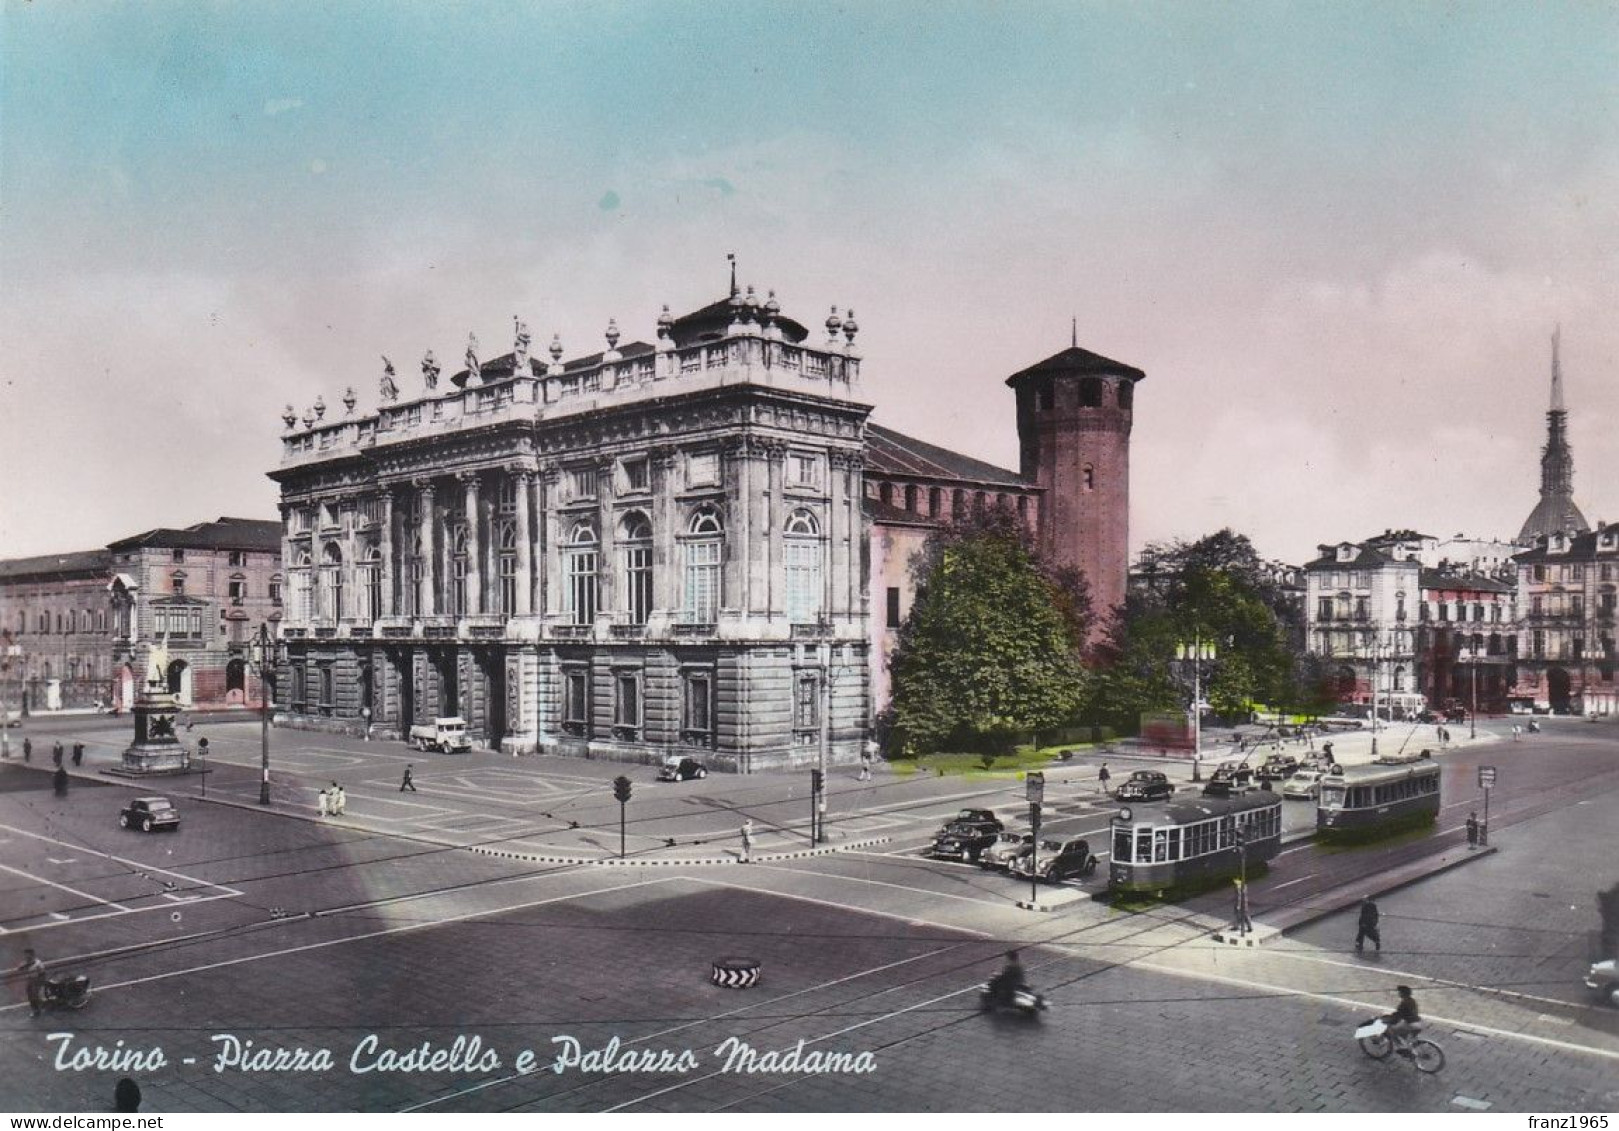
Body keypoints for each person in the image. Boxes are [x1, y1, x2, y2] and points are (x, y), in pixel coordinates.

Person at [1383, 985, 1421, 1052]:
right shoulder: (1412, 1001)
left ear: (1403, 994)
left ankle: (1401, 1048)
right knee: (1402, 1032)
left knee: (1392, 1030)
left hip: (1411, 1024)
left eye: (1400, 992)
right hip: (1418, 1022)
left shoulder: (1404, 1003)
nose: (1399, 994)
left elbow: (1398, 1015)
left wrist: (1387, 1019)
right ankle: (1406, 1046)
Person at [14, 948, 46, 1016]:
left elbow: (42, 973)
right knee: (30, 996)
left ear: (32, 955)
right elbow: (18, 969)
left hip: (36, 980)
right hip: (29, 980)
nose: (26, 956)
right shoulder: (25, 963)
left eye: (28, 955)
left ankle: (38, 1009)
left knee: (35, 995)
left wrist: (40, 982)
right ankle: (35, 1010)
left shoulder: (38, 963)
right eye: (25, 955)